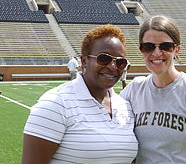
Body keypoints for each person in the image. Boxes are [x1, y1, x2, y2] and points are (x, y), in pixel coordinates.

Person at [22, 24, 138, 163]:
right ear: (84, 61)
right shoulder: (55, 103)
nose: (113, 67)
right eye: (103, 59)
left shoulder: (126, 106)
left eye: (120, 62)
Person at [120, 15, 186, 164]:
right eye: (148, 46)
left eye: (165, 46)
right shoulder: (133, 91)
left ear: (177, 49)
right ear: (141, 50)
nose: (156, 53)